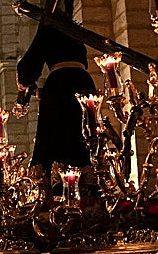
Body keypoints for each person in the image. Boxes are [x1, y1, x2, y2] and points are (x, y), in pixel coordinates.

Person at [11, 14, 97, 175]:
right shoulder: (75, 31)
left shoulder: (49, 30)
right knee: (85, 131)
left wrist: (24, 85)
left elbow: (28, 68)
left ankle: (53, 180)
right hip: (85, 84)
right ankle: (89, 176)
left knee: (55, 131)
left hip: (60, 84)